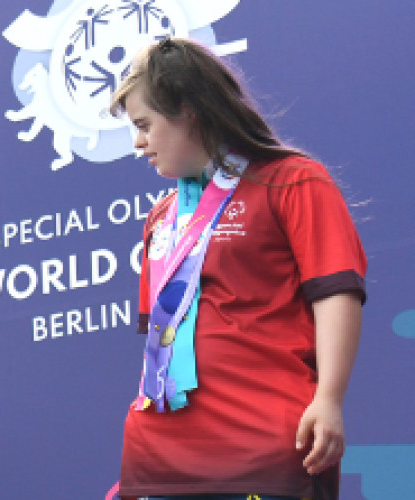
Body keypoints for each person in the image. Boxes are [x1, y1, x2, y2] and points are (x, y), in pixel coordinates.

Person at [109, 38, 366, 500]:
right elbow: (159, 347)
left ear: (187, 109)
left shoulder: (291, 178)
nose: (137, 142)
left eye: (144, 124)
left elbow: (335, 293)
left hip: (264, 441)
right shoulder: (161, 218)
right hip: (162, 455)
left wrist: (328, 399)